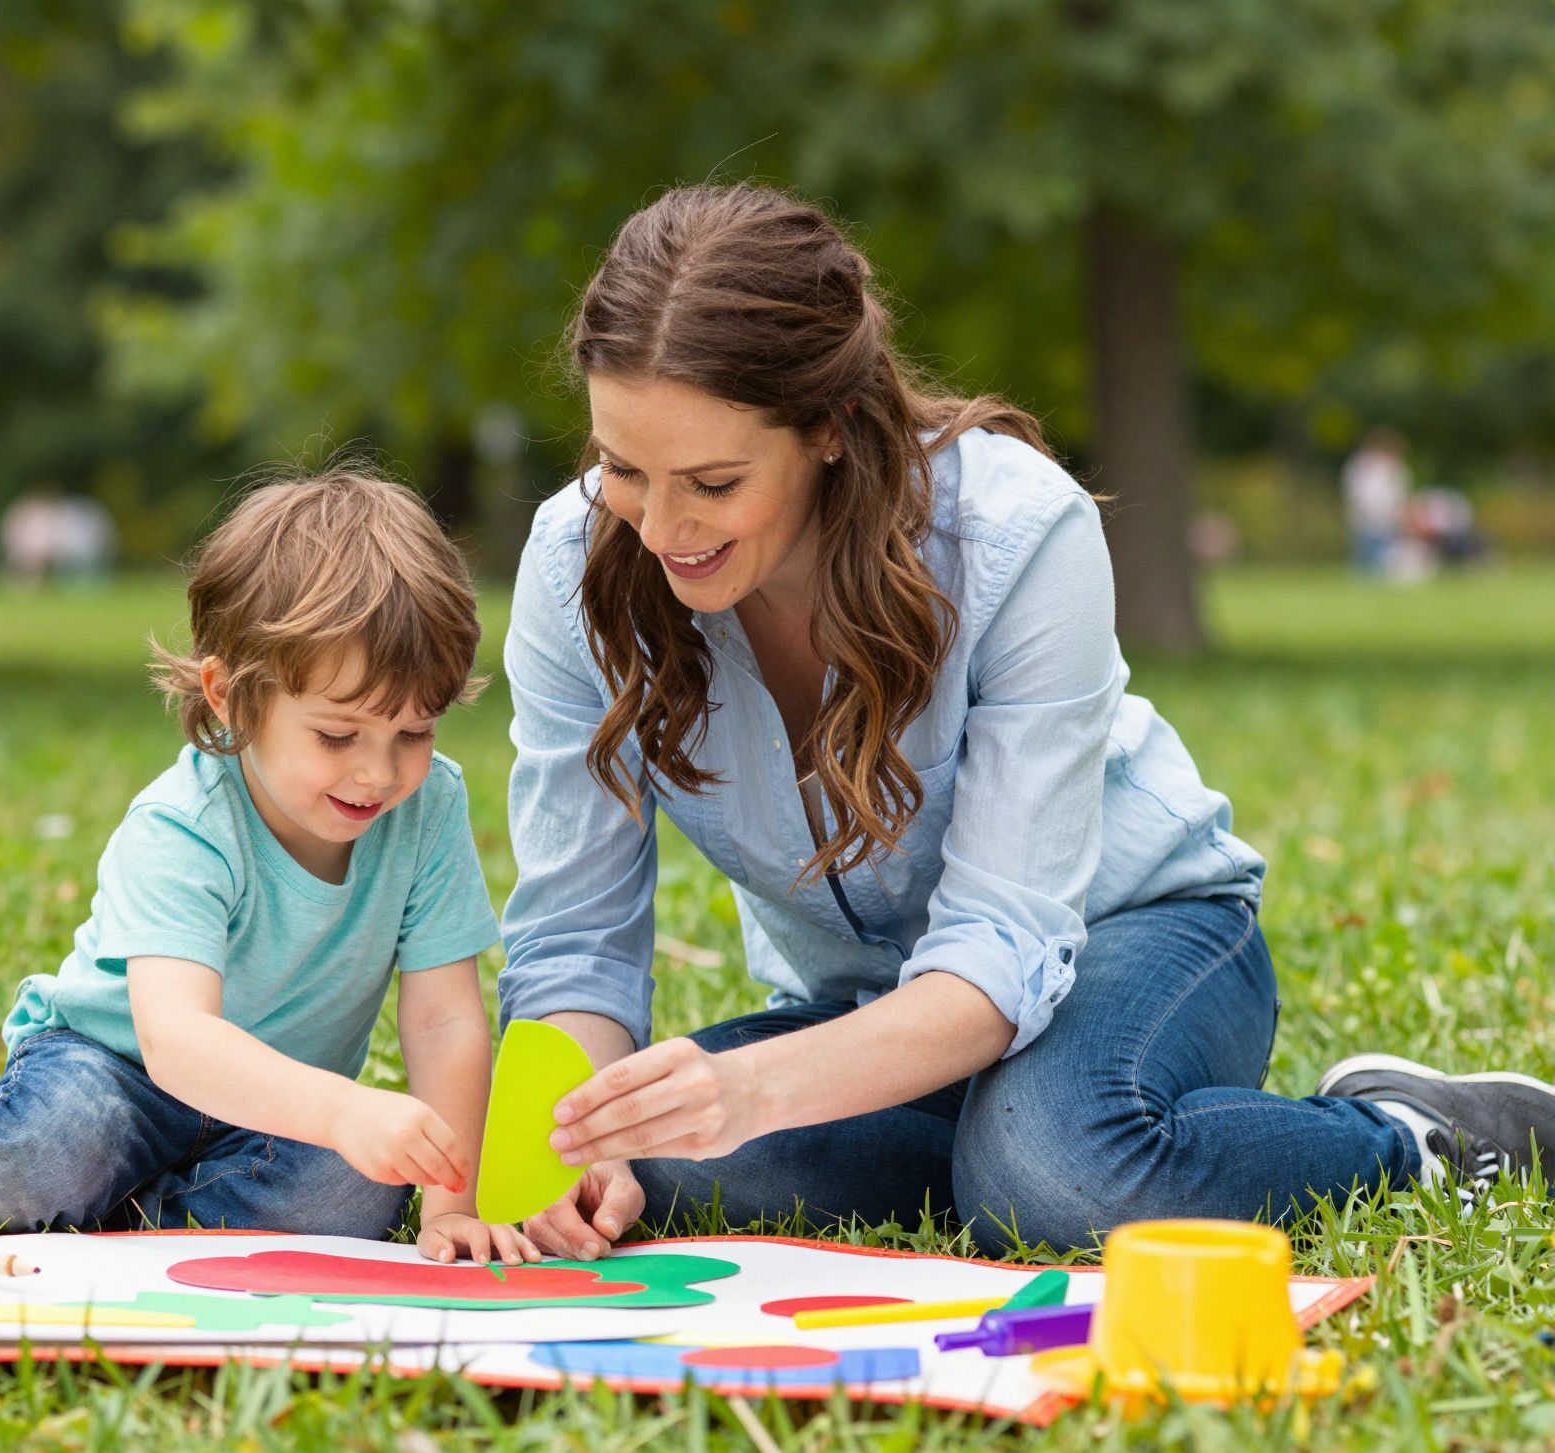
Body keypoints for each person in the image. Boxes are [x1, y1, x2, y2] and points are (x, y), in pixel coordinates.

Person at [500, 182, 1555, 1261]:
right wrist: (570, 1142)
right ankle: (1001, 1141)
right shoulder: (570, 566)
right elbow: (575, 940)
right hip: (873, 1002)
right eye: (621, 467)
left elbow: (1001, 945)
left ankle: (1407, 1134)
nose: (660, 526)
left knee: (1053, 1178)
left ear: (824, 427)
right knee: (662, 1162)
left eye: (712, 483)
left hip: (1135, 933)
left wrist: (751, 1085)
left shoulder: (1011, 530)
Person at [0, 470, 537, 1265]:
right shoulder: (184, 824)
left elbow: (444, 1019)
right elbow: (178, 1039)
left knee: (356, 1188)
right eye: (338, 737)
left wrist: (448, 1208)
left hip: (278, 1103)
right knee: (49, 1154)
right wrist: (340, 1111)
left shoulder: (428, 808)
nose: (379, 773)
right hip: (112, 1077)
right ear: (230, 696)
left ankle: (130, 1218)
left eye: (415, 733)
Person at [1341, 428, 1410, 573]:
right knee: (1367, 567)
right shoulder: (1362, 467)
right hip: (1367, 524)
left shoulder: (1397, 470)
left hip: (1388, 526)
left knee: (1382, 566)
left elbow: (1399, 499)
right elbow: (1361, 498)